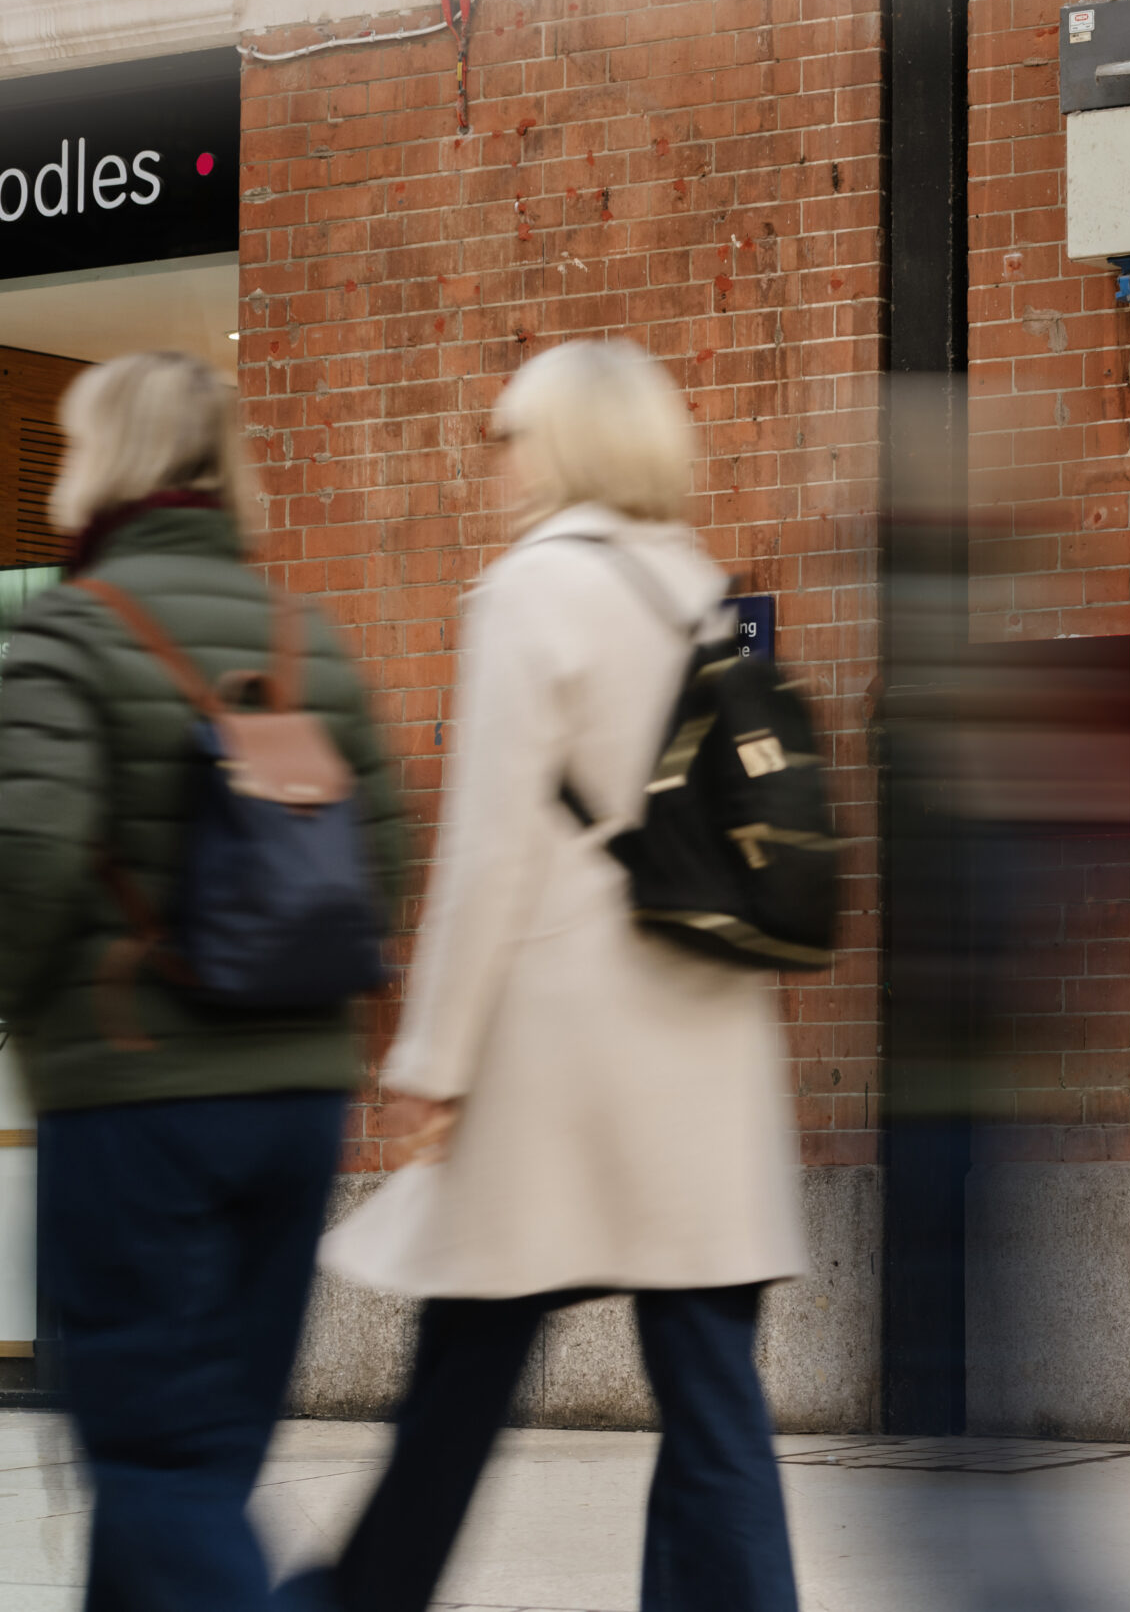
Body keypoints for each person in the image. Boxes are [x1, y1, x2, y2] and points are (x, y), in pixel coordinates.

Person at [283, 339, 805, 1612]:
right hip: (709, 1043)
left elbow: (487, 855)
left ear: (563, 445)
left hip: (563, 1057)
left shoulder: (527, 592)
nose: (502, 457)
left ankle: (359, 1600)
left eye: (515, 432)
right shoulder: (696, 587)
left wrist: (428, 1065)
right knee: (712, 1399)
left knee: (463, 1369)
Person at [0, 351, 403, 1608]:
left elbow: (26, 861)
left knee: (156, 1463)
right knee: (203, 1457)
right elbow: (382, 858)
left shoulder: (67, 636)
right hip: (294, 1111)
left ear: (104, 460)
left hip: (135, 1105)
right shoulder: (309, 641)